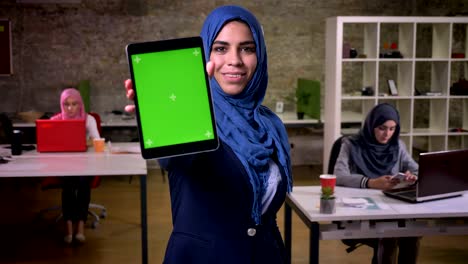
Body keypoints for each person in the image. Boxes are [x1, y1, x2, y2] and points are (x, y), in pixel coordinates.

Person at [125, 5, 293, 264]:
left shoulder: (271, 125)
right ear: (205, 55)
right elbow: (175, 158)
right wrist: (165, 118)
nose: (234, 60)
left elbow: (264, 216)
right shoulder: (196, 118)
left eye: (247, 48)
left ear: (260, 55)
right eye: (220, 48)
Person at [333, 103, 420, 264]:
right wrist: (370, 182)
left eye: (392, 129)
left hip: (392, 207)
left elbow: (417, 170)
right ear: (371, 125)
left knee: (412, 233)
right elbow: (338, 175)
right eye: (382, 128)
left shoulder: (397, 146)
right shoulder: (351, 144)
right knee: (390, 234)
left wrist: (411, 176)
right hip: (361, 210)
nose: (387, 134)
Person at [51, 88, 100, 244]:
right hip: (63, 165)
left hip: (86, 164)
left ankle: (80, 225)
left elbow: (97, 141)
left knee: (83, 182)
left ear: (80, 105)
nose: (70, 108)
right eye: (66, 104)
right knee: (69, 184)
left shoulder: (88, 119)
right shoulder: (55, 121)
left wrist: (83, 142)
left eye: (74, 104)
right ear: (61, 105)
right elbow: (48, 144)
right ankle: (68, 225)